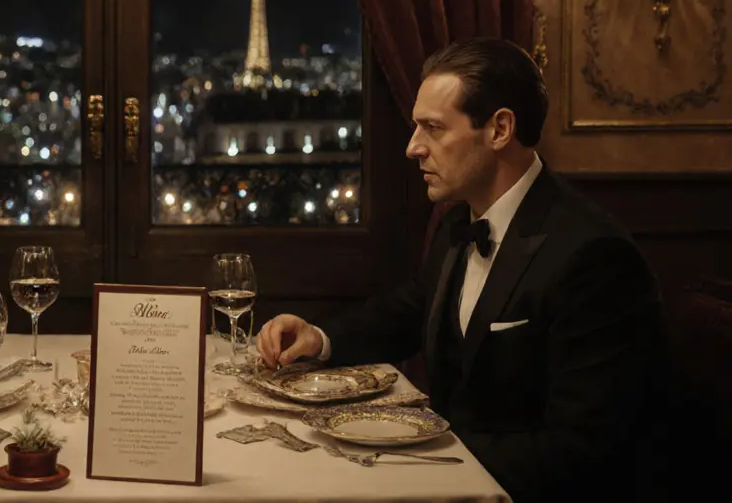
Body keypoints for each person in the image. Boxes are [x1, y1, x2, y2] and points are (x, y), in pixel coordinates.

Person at [257, 38, 666, 502]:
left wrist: (413, 460)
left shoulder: (594, 256)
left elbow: (583, 450)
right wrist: (320, 338)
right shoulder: (463, 219)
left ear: (499, 130)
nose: (414, 148)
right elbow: (410, 309)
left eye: (433, 128)